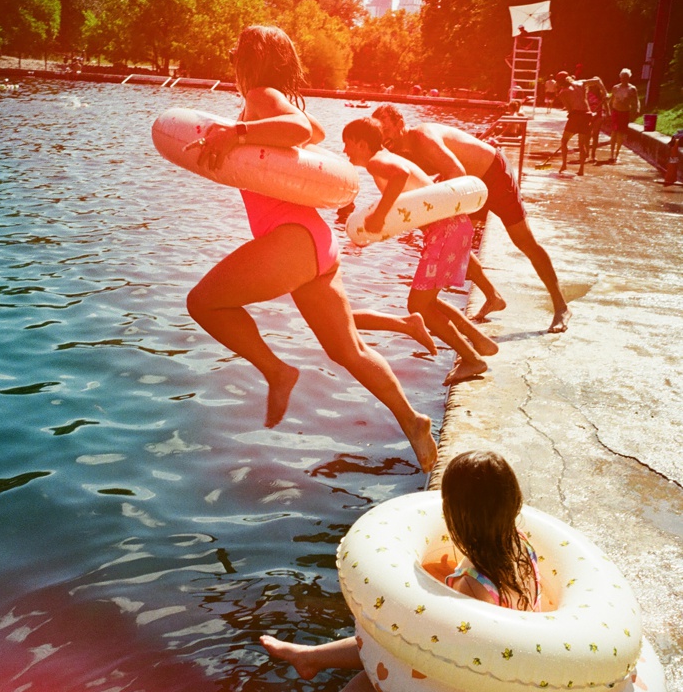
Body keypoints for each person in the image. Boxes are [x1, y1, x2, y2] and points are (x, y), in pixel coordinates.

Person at [189, 25, 436, 472]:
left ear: (252, 62)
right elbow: (316, 130)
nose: (231, 60)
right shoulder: (269, 103)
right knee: (350, 350)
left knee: (203, 303)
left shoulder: (261, 98)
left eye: (236, 54)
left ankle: (276, 370)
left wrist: (238, 131)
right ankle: (413, 420)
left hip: (289, 238)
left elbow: (302, 127)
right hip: (314, 241)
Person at [234, 450, 543, 692]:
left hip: (475, 690)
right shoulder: (520, 545)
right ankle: (309, 658)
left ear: (456, 516)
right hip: (496, 662)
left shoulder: (475, 586)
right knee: (383, 647)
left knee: (368, 684)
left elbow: (450, 641)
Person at [372, 104, 569, 333]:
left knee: (523, 241)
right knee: (457, 241)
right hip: (470, 187)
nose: (385, 138)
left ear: (400, 123)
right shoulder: (398, 154)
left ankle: (561, 306)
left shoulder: (422, 136)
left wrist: (437, 203)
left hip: (494, 175)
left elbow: (457, 173)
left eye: (387, 129)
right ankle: (493, 296)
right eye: (380, 133)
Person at [343, 118, 497, 385]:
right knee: (429, 301)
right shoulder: (389, 157)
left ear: (361, 143)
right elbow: (405, 208)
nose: (345, 151)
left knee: (417, 306)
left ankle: (472, 360)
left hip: (444, 232)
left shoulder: (376, 161)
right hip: (452, 227)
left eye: (347, 145)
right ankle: (479, 341)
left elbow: (399, 179)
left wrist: (378, 217)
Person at [608, 69, 641, 164]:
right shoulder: (615, 88)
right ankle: (611, 154)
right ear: (620, 78)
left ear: (629, 78)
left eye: (626, 78)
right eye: (622, 78)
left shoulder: (632, 89)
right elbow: (611, 100)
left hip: (625, 112)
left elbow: (636, 101)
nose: (624, 80)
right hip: (615, 112)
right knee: (614, 132)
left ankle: (617, 154)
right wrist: (608, 111)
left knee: (620, 134)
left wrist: (637, 109)